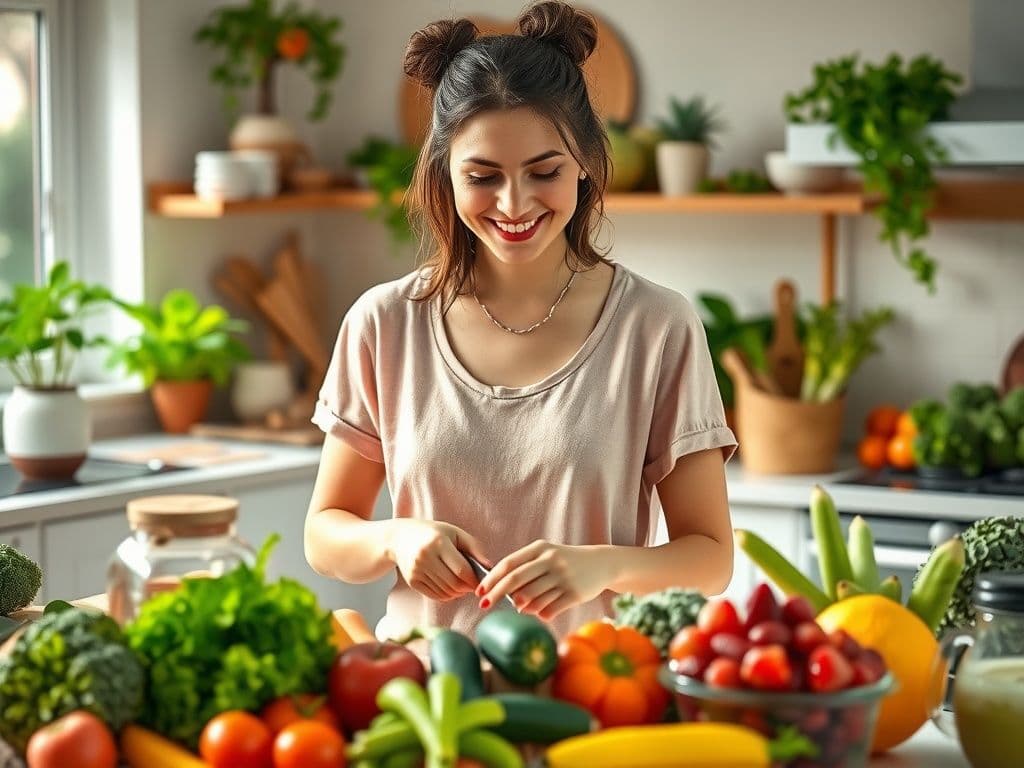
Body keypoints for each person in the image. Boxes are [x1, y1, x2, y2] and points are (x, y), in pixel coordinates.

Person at [305, 0, 737, 641]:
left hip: (594, 697)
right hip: (419, 690)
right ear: (444, 175)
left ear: (586, 162)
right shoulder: (384, 323)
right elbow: (325, 533)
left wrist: (602, 567)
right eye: (483, 176)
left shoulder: (658, 327)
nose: (514, 204)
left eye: (544, 172)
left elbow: (711, 558)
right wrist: (396, 538)